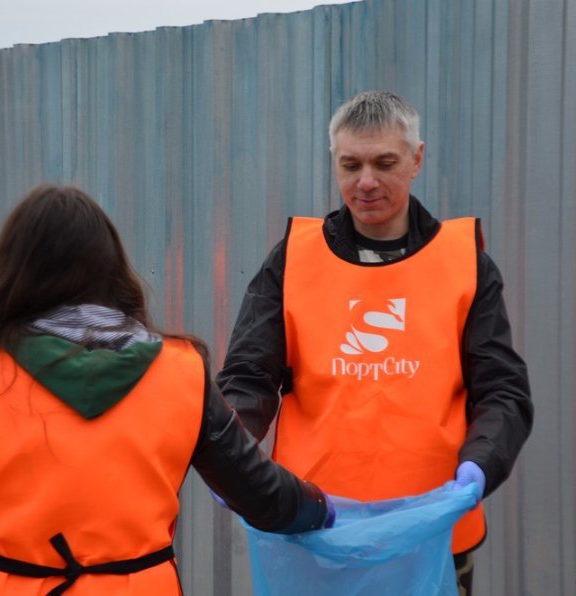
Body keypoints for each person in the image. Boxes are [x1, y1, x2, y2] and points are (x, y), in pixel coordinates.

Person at [0, 184, 334, 596]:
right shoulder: (181, 373)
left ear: (11, 274)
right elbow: (263, 497)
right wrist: (324, 509)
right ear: (110, 269)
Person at [216, 91, 533, 594]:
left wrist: (482, 462)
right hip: (317, 529)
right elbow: (249, 374)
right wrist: (232, 451)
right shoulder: (294, 258)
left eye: (385, 163)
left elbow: (502, 389)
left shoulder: (463, 264)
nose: (365, 182)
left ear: (416, 159)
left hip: (432, 530)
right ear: (334, 161)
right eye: (351, 165)